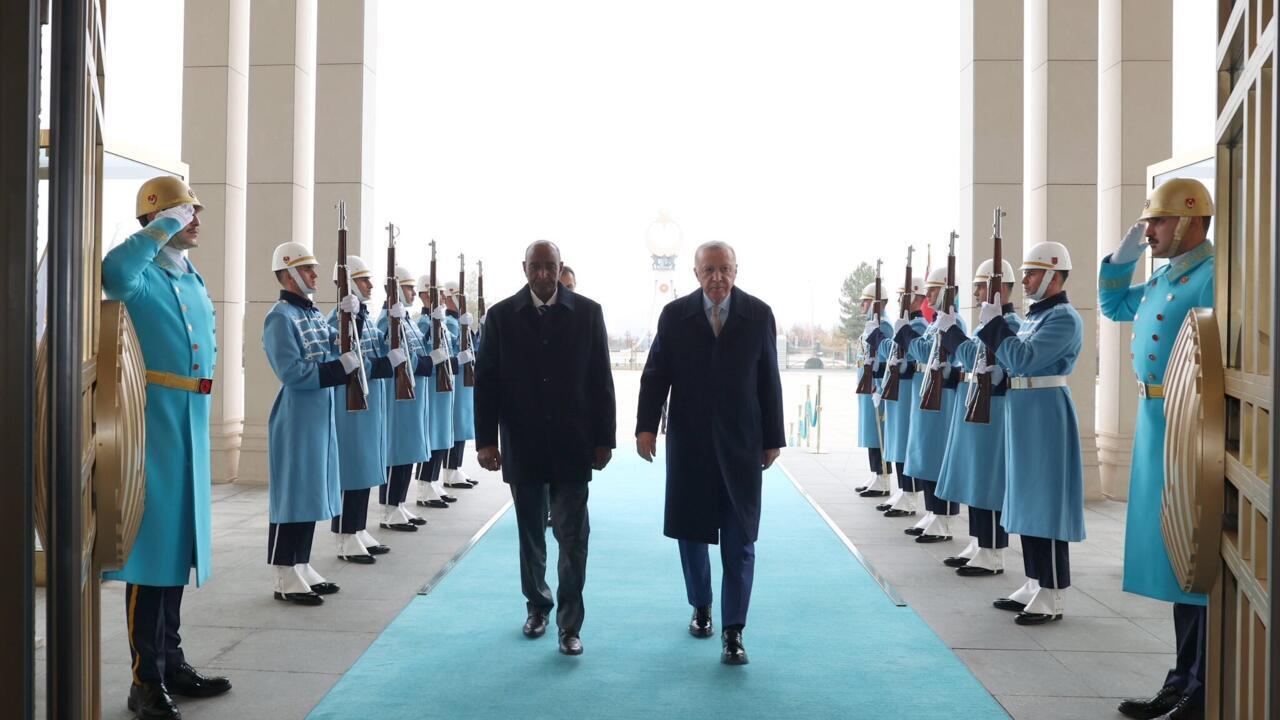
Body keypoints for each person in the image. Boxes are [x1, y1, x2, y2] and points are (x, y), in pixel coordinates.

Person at [102, 176, 230, 719]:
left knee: (177, 551)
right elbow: (113, 273)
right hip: (152, 423)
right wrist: (160, 229)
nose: (195, 219)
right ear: (158, 219)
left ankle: (171, 663)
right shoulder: (142, 273)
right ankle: (145, 680)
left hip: (189, 422)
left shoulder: (188, 273)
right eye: (183, 212)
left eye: (194, 211)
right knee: (151, 555)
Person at [636, 240, 785, 666]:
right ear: (696, 273)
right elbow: (655, 374)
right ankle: (701, 605)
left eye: (725, 269)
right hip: (690, 444)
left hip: (742, 444)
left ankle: (733, 630)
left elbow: (768, 380)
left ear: (736, 270)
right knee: (691, 532)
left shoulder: (758, 315)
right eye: (709, 270)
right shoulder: (674, 316)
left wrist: (772, 438)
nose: (717, 277)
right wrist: (646, 427)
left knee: (740, 540)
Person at [1100, 179, 1214, 720]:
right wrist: (1121, 257)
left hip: (1189, 422)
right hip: (1156, 422)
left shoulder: (1214, 275)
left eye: (1158, 221)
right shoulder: (1167, 277)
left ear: (1192, 220)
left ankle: (1201, 687)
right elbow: (1112, 303)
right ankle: (1181, 679)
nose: (1149, 232)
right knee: (1174, 558)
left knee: (1193, 554)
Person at [474, 240, 616, 656]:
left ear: (560, 267)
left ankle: (570, 626)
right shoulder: (501, 316)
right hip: (523, 443)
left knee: (573, 539)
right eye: (535, 266)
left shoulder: (588, 313)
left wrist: (604, 438)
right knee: (531, 535)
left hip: (573, 443)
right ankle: (537, 605)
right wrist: (486, 440)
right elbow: (486, 383)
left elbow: (601, 379)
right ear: (524, 268)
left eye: (549, 266)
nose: (542, 274)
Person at [973, 241, 1084, 626]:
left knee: (1046, 501)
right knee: (1027, 499)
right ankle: (1035, 580)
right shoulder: (1038, 317)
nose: (1024, 281)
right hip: (1025, 411)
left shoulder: (1064, 318)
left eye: (1032, 274)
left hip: (1045, 411)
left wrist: (995, 326)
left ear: (1054, 275)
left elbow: (1023, 358)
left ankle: (1052, 591)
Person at [262, 242, 350, 607]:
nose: (315, 274)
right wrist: (337, 370)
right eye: (307, 268)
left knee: (313, 489)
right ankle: (284, 571)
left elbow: (334, 346)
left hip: (319, 412)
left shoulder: (312, 314)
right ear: (288, 274)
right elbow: (292, 371)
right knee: (293, 493)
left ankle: (301, 562)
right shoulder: (280, 317)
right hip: (297, 414)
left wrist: (350, 318)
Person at [935, 259, 1019, 574]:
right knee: (976, 477)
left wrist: (953, 335)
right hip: (980, 403)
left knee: (989, 479)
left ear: (1001, 288)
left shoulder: (1009, 324)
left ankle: (993, 550)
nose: (976, 293)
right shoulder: (990, 324)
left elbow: (976, 358)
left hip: (995, 408)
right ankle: (979, 541)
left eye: (982, 286)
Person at [326, 255, 394, 563]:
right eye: (363, 279)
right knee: (351, 467)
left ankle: (358, 526)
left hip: (369, 400)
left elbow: (381, 346)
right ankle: (344, 534)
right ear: (348, 283)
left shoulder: (363, 316)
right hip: (350, 403)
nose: (370, 285)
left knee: (365, 464)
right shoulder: (335, 319)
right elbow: (341, 352)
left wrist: (393, 318)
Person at [903, 267, 966, 542]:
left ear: (947, 291)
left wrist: (906, 335)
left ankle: (944, 517)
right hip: (930, 390)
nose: (927, 295)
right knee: (927, 453)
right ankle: (932, 511)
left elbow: (926, 352)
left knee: (938, 455)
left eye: (933, 289)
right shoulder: (936, 321)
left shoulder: (955, 322)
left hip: (943, 395)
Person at [377, 265, 434, 531]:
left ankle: (399, 503)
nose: (412, 292)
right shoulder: (385, 319)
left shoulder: (407, 319)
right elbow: (388, 353)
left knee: (407, 451)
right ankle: (389, 508)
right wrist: (425, 363)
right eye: (408, 287)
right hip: (397, 398)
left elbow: (418, 350)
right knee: (396, 450)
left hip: (412, 395)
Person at [877, 274, 927, 518]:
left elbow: (903, 354)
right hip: (899, 387)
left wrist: (880, 340)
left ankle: (910, 493)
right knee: (897, 439)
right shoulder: (906, 325)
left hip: (908, 388)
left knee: (905, 440)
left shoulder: (919, 326)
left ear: (915, 297)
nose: (899, 300)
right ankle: (903, 489)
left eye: (903, 296)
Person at [853, 282, 894, 498]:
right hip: (868, 384)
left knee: (878, 433)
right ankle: (875, 473)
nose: (862, 305)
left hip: (876, 385)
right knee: (871, 432)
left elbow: (885, 357)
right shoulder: (872, 324)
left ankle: (883, 476)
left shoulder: (884, 326)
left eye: (866, 301)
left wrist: (878, 383)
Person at [441, 279, 479, 488]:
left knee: (462, 425)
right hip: (455, 378)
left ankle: (456, 466)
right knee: (455, 425)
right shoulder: (448, 322)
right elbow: (453, 349)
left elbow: (473, 347)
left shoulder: (458, 321)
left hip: (465, 378)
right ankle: (449, 468)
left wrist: (477, 329)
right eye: (456, 296)